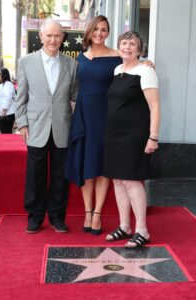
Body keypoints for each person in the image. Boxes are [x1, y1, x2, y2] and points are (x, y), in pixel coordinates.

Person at [15, 19, 78, 234]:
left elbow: (76, 96)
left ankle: (57, 217)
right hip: (35, 128)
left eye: (57, 36)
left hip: (63, 127)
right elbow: (20, 97)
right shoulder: (26, 62)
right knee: (35, 175)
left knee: (61, 176)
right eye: (49, 35)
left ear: (62, 38)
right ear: (41, 36)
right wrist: (22, 123)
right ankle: (34, 217)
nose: (53, 39)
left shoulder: (72, 64)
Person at [65, 15, 122, 235]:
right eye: (96, 29)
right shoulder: (80, 58)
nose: (100, 33)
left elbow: (133, 68)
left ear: (108, 32)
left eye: (104, 29)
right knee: (87, 166)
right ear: (89, 32)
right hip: (83, 114)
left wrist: (146, 62)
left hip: (106, 115)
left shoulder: (117, 56)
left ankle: (97, 213)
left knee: (102, 166)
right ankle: (87, 212)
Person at [104, 31, 160, 248]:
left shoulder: (146, 72)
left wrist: (153, 137)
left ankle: (142, 230)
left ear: (139, 49)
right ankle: (125, 226)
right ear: (119, 47)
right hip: (114, 135)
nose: (127, 47)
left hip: (134, 136)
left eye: (132, 44)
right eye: (124, 43)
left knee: (131, 181)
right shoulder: (117, 70)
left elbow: (155, 106)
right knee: (117, 181)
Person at [0, 68, 16, 134]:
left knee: (6, 134)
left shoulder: (8, 84)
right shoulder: (1, 85)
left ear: (4, 75)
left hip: (7, 114)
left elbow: (8, 97)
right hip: (1, 114)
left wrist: (4, 110)